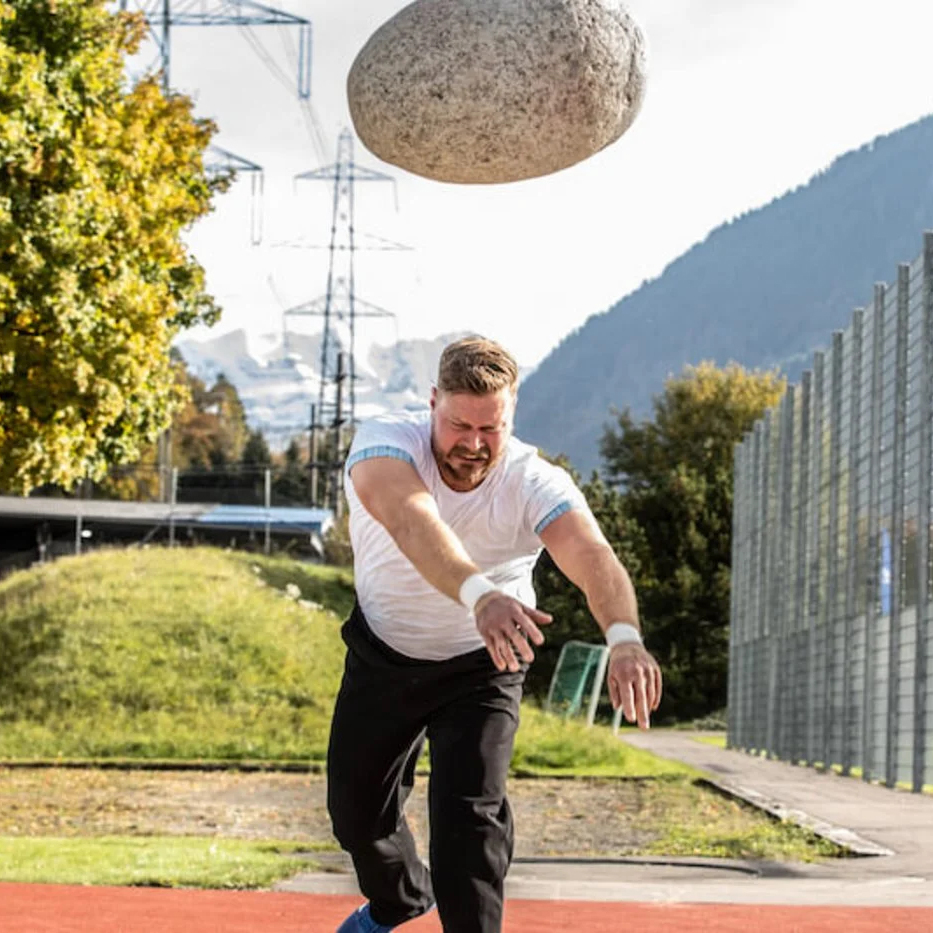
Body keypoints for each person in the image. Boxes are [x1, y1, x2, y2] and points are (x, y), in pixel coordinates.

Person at [329, 336, 662, 933]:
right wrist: (479, 595)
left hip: (485, 663)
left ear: (511, 416)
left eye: (493, 428)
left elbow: (591, 554)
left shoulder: (533, 479)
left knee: (469, 819)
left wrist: (625, 637)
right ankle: (402, 901)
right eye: (460, 425)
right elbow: (412, 520)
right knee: (356, 818)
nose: (475, 445)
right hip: (385, 656)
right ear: (433, 403)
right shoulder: (385, 444)